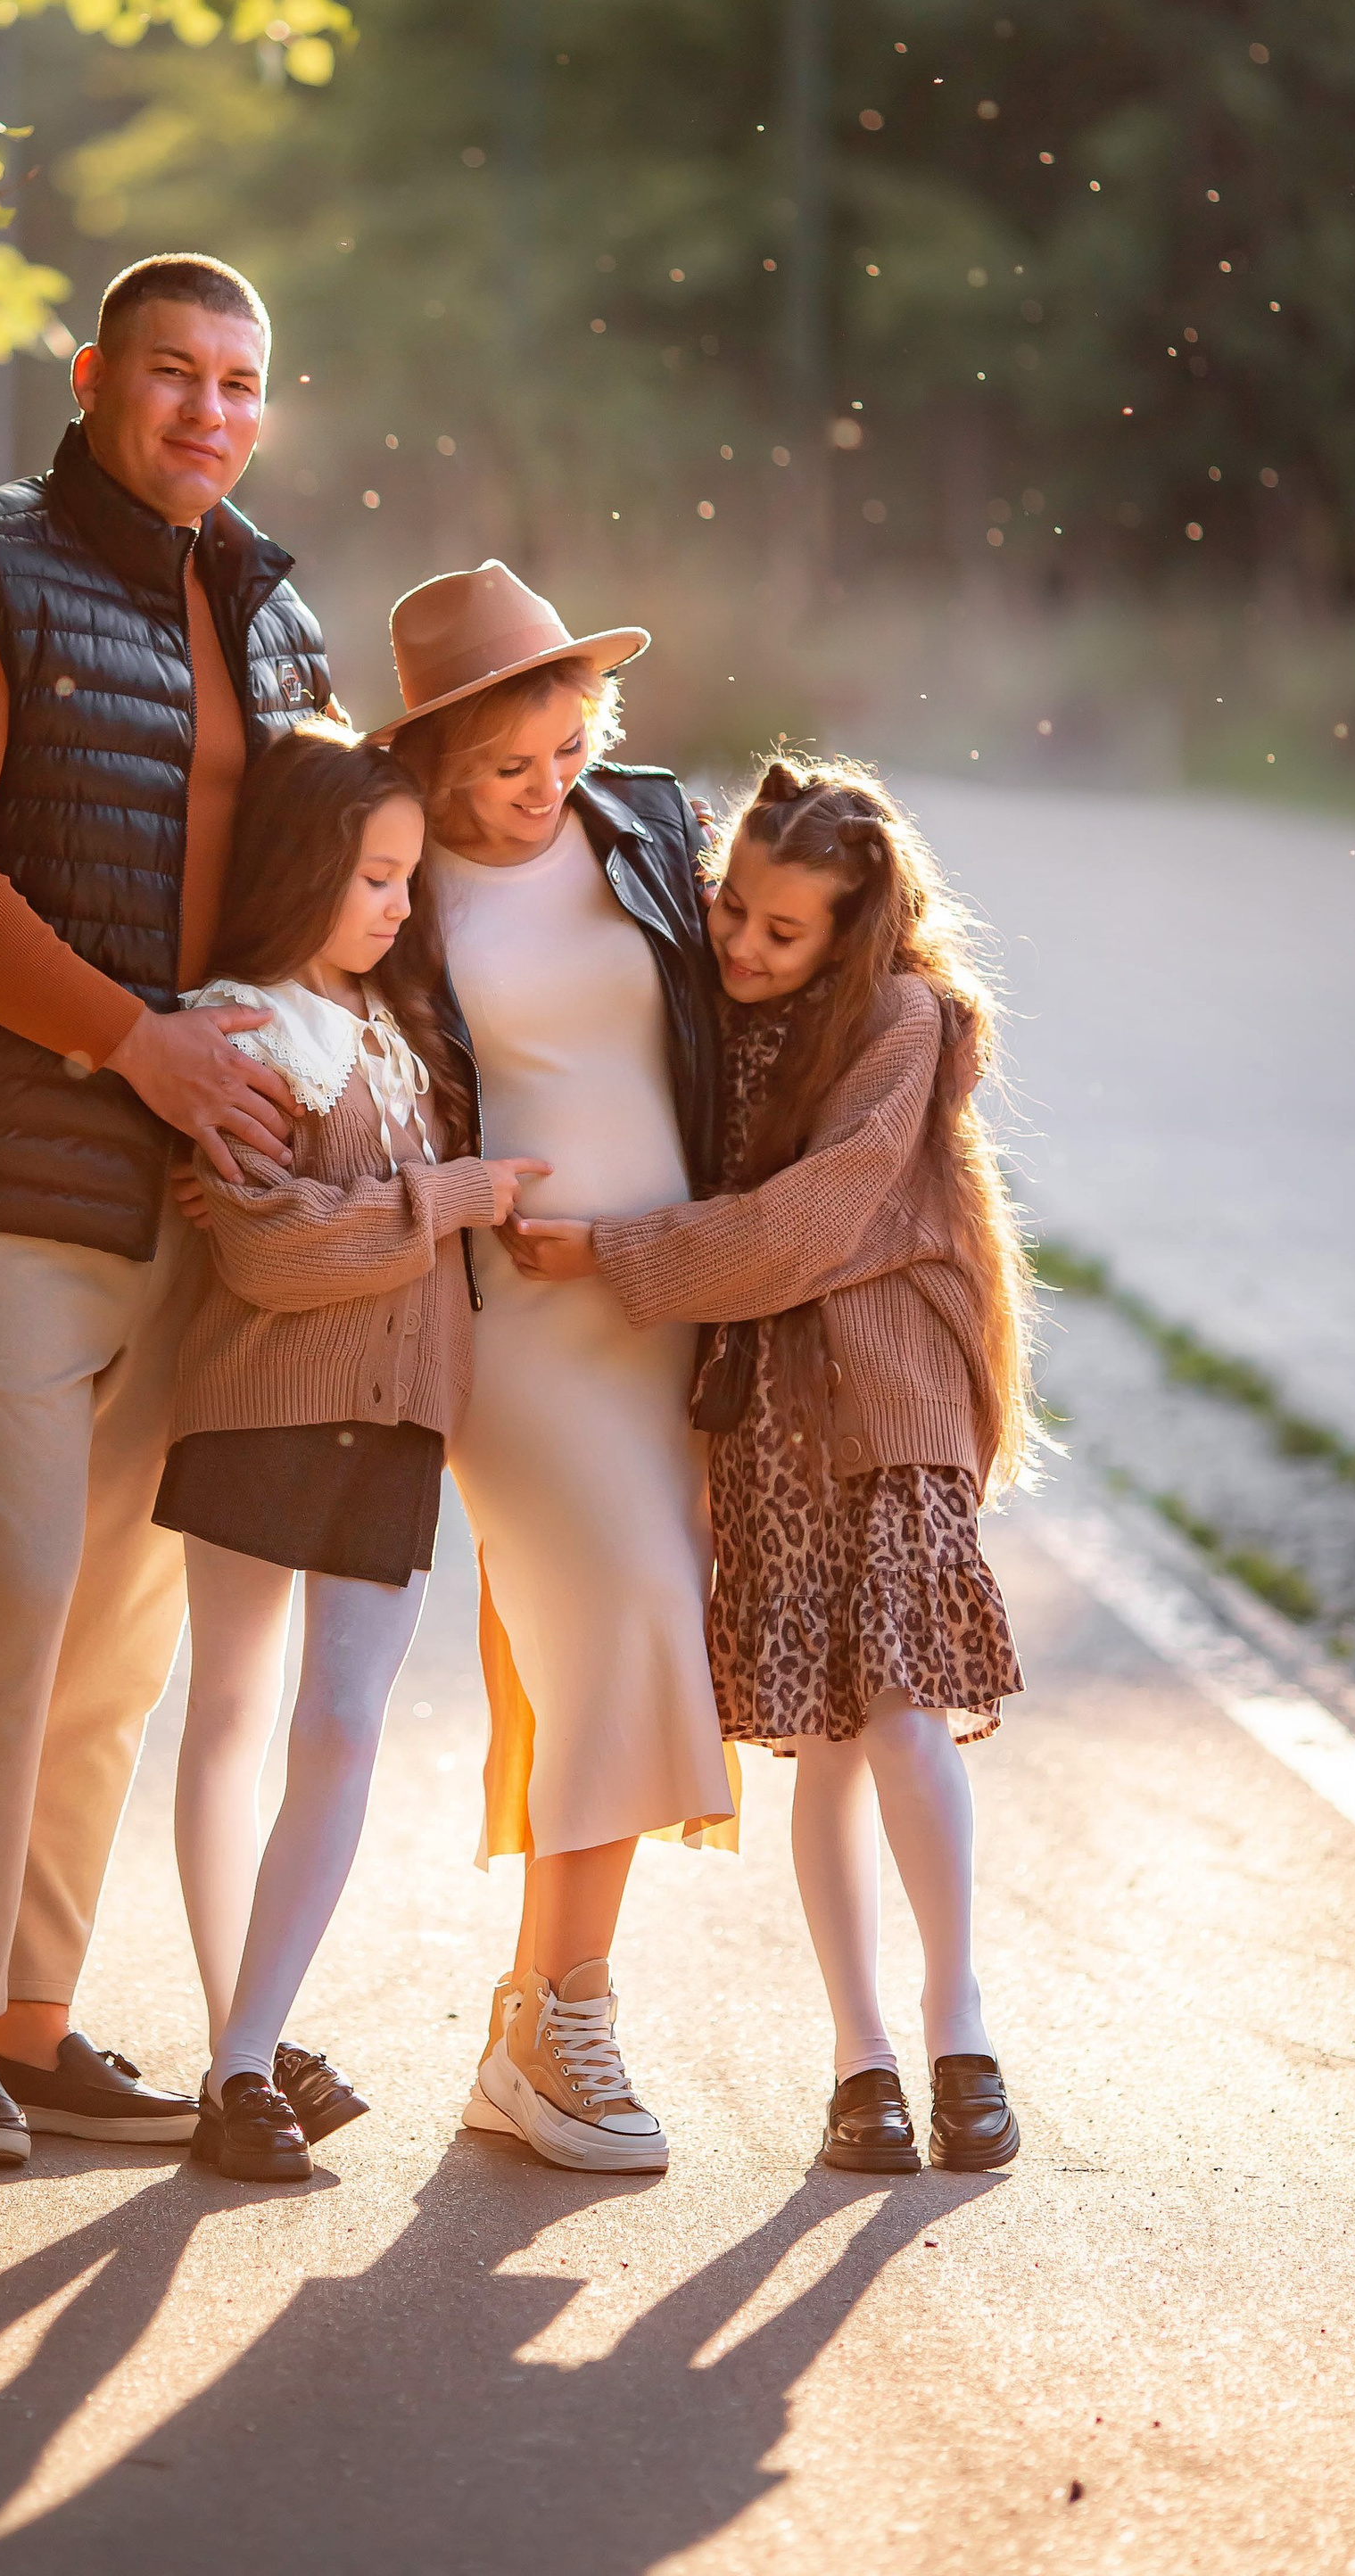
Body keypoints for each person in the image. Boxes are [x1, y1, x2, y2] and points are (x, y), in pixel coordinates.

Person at [0, 252, 338, 2166]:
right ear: (95, 374)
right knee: (11, 1595)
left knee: (116, 1619)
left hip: (195, 1187)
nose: (207, 410)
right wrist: (137, 1045)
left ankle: (30, 2021)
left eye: (240, 382)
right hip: (1, 1157)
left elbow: (320, 875)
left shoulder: (272, 613)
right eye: (173, 373)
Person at [508, 755, 1033, 2176]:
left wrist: (619, 1255)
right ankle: (860, 2060)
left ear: (851, 933)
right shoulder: (709, 1005)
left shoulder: (901, 1023)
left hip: (891, 1398)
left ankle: (957, 2025)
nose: (741, 942)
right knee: (830, 1741)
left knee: (906, 1712)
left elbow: (810, 1221)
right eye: (732, 908)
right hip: (766, 1419)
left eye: (780, 931)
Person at [371, 561, 735, 2176]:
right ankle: (567, 2015)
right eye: (507, 771)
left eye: (570, 752)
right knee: (627, 1611)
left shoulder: (651, 827)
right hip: (513, 1322)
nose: (544, 792)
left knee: (598, 1641)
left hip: (671, 1306)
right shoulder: (387, 876)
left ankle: (534, 2023)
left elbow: (770, 994)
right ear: (431, 764)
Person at [154, 725, 551, 2182]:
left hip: (398, 1424)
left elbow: (348, 1233)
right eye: (374, 877)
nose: (397, 905)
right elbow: (268, 1259)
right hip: (260, 1403)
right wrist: (447, 1198)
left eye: (406, 878)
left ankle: (250, 2041)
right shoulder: (243, 1027)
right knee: (234, 1713)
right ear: (307, 868)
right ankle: (239, 2052)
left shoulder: (397, 1034)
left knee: (345, 1727)